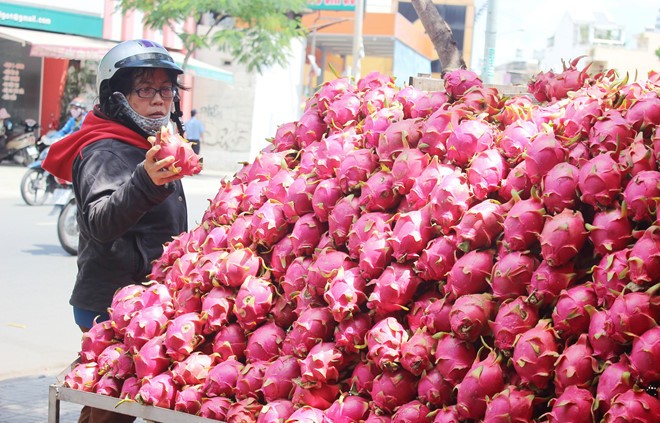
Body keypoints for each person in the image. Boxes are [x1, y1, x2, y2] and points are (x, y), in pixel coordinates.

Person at [43, 39, 190, 423]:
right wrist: (144, 180)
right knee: (114, 407)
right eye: (145, 89)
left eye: (165, 90)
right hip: (112, 304)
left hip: (147, 300)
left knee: (127, 402)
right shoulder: (105, 151)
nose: (159, 100)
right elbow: (98, 223)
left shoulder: (152, 144)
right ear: (116, 96)